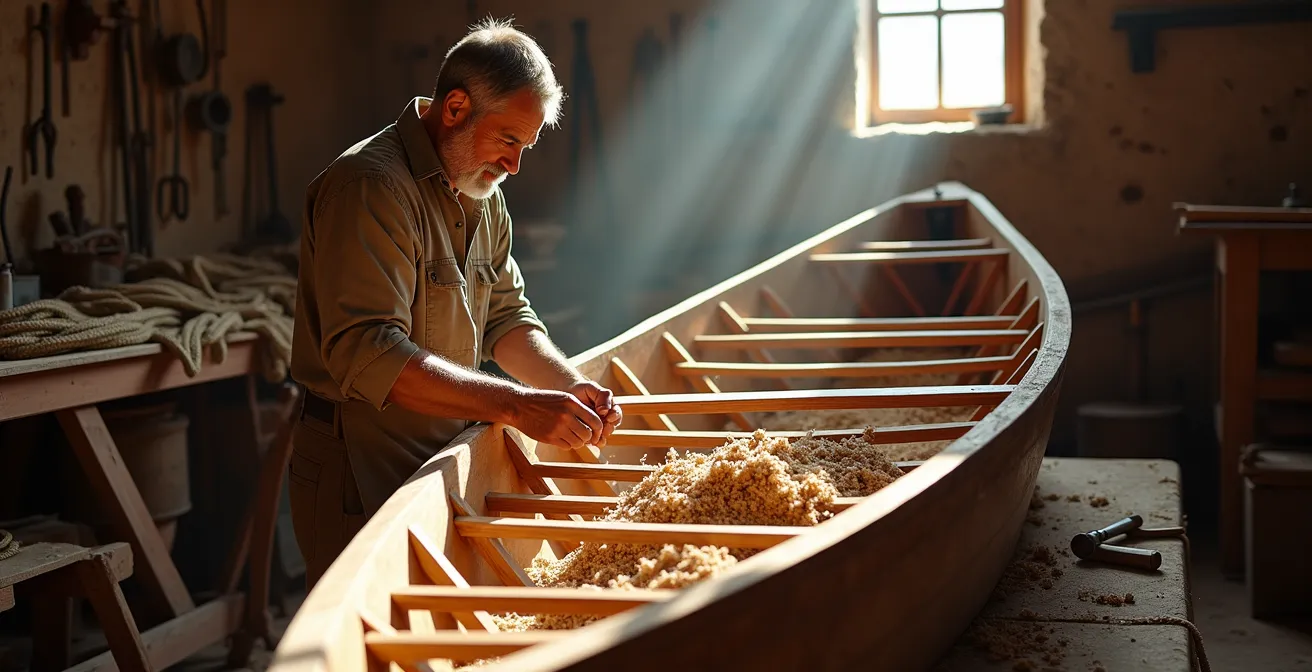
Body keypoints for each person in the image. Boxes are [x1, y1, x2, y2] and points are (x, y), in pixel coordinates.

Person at [287, 17, 622, 587]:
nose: (516, 164)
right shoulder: (370, 187)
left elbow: (507, 317)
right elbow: (369, 354)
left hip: (439, 459)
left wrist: (567, 386)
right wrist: (517, 406)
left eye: (526, 146)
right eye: (509, 140)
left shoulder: (481, 191)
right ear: (456, 108)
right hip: (360, 472)